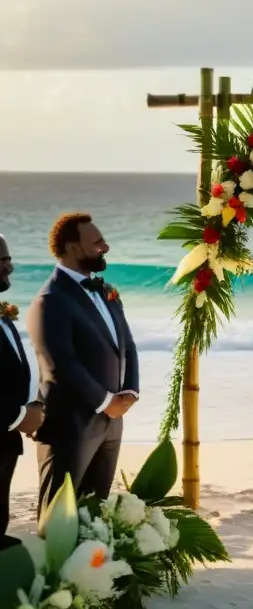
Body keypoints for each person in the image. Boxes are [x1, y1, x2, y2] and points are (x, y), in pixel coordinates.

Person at [26, 213, 140, 513]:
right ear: (73, 248)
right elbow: (60, 364)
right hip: (69, 426)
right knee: (58, 516)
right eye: (97, 242)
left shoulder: (106, 291)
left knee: (95, 514)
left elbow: (127, 345)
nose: (105, 247)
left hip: (111, 422)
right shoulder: (49, 300)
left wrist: (130, 392)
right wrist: (105, 401)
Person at [0, 234, 44, 549]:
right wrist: (19, 417)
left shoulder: (4, 318)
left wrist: (32, 408)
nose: (10, 267)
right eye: (2, 260)